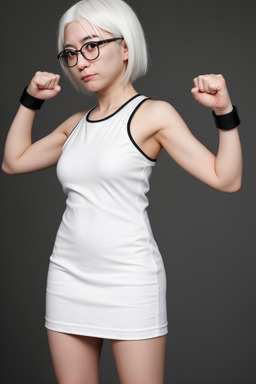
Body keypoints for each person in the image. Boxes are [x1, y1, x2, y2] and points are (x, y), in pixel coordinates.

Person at [1, 0, 243, 383]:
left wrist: (224, 113)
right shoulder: (74, 124)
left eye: (92, 45)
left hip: (129, 280)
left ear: (125, 47)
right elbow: (13, 161)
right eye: (71, 53)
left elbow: (225, 179)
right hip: (67, 276)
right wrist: (30, 100)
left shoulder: (153, 114)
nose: (81, 61)